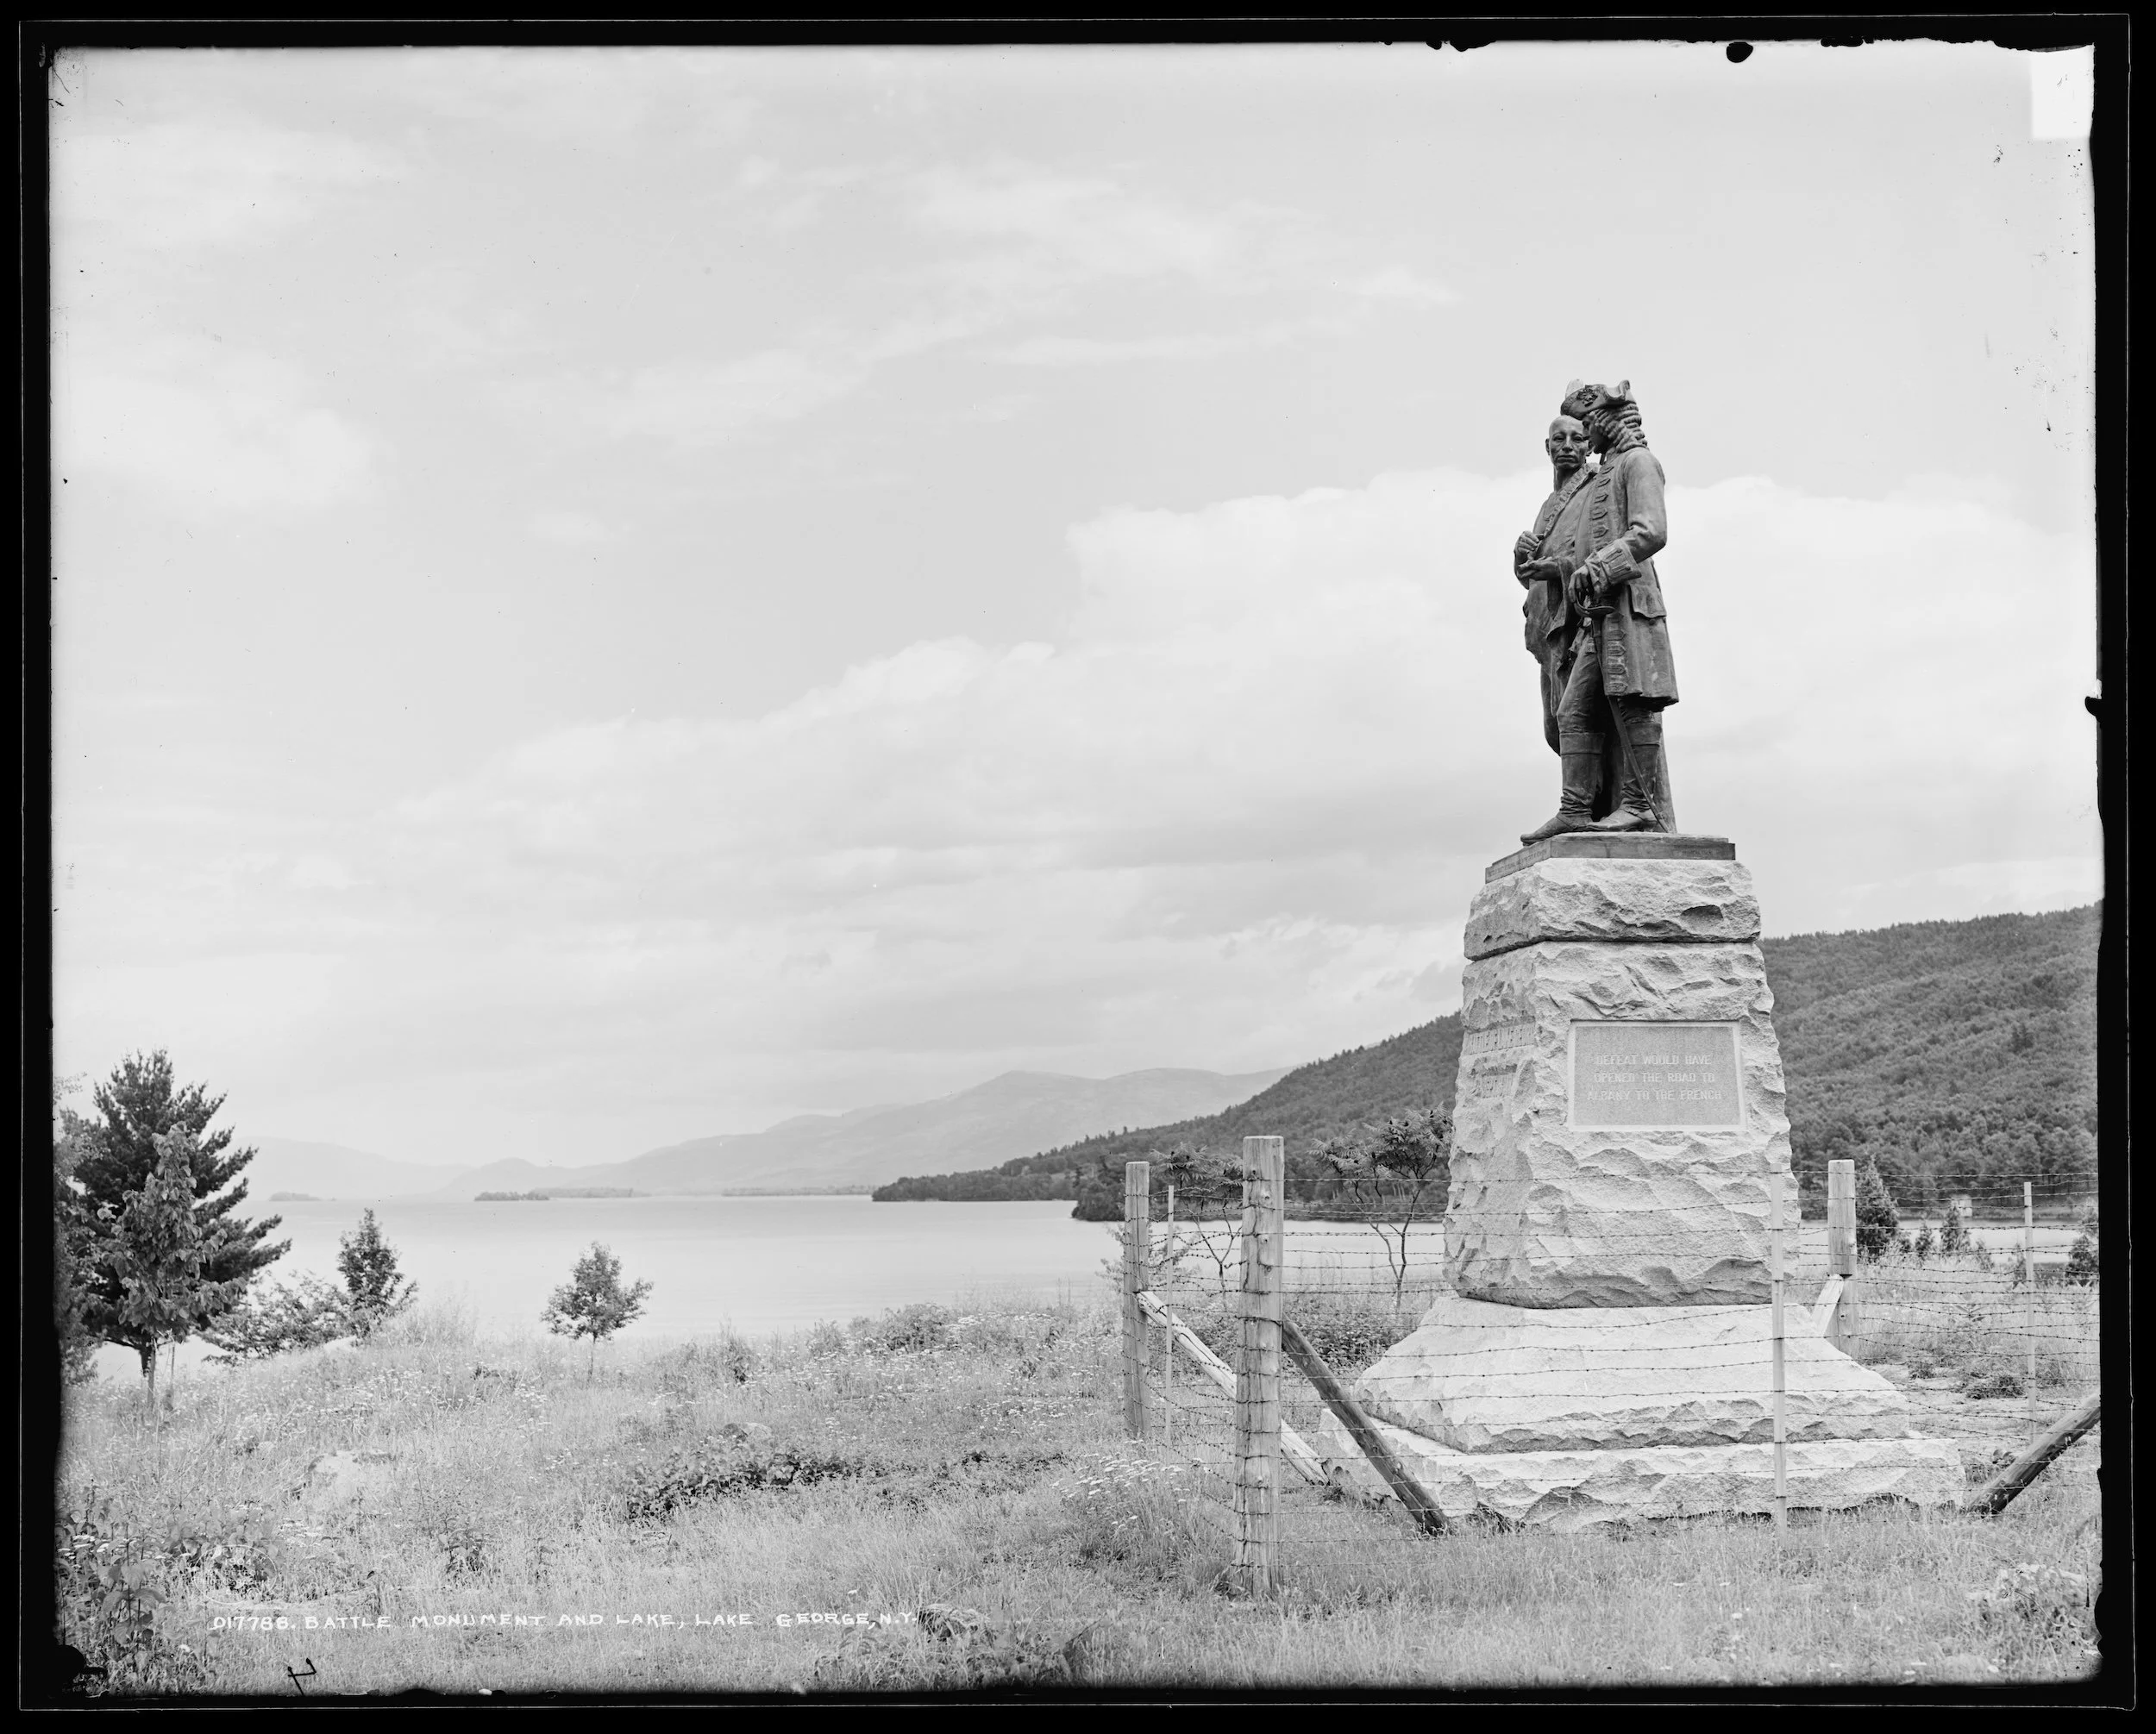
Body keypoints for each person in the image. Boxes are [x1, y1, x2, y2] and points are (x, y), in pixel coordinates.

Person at [1516, 379, 1678, 840]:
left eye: (1588, 425)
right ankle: (1576, 809)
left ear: (1605, 422)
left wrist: (1599, 566)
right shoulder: (1601, 476)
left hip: (1629, 606)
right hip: (1597, 615)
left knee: (1633, 702)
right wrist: (1561, 568)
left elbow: (1651, 532)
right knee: (1574, 712)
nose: (1584, 436)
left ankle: (1639, 806)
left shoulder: (1639, 464)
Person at [1513, 414, 1596, 759]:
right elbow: (1531, 578)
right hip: (1547, 627)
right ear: (1547, 448)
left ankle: (1584, 808)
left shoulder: (1596, 488)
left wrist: (1556, 566)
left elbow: (1596, 550)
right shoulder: (1549, 505)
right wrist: (1522, 557)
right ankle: (1580, 807)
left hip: (1576, 622)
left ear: (1589, 445)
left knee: (1575, 719)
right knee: (1554, 727)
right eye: (1558, 439)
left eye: (1576, 439)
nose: (1567, 446)